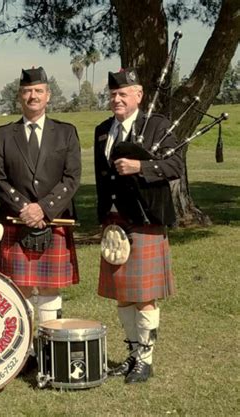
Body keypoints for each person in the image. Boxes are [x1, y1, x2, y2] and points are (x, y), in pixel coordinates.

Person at [94, 68, 183, 383]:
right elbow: (102, 178)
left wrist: (141, 166)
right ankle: (132, 355)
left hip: (145, 219)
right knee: (123, 294)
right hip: (116, 221)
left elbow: (176, 165)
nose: (117, 99)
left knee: (144, 295)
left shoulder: (156, 126)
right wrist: (104, 216)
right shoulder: (103, 130)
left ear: (138, 95)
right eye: (113, 94)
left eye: (123, 93)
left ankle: (146, 360)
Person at [0, 66, 81, 367]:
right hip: (17, 220)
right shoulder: (3, 135)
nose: (33, 96)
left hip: (53, 220)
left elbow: (72, 177)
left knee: (51, 289)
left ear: (48, 96)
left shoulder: (66, 132)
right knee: (20, 287)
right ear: (19, 96)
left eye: (38, 91)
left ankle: (50, 348)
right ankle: (24, 351)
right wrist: (23, 208)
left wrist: (45, 208)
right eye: (27, 91)